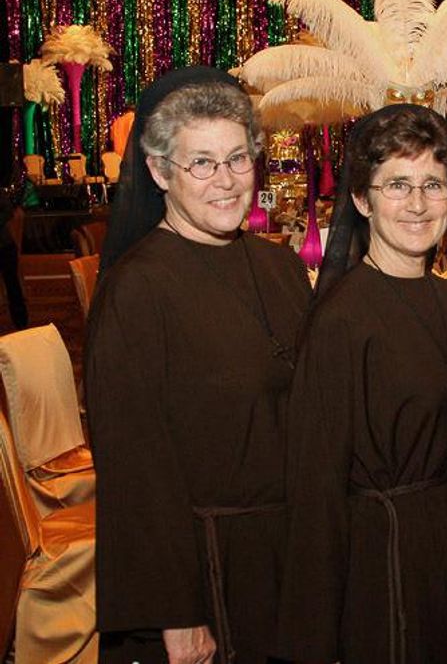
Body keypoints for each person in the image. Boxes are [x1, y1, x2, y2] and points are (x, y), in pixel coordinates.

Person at [86, 66, 311, 664]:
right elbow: (136, 470)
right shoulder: (137, 291)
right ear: (159, 171)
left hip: (283, 563)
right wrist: (175, 613)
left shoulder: (281, 269)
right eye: (202, 163)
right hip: (201, 577)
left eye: (238, 159)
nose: (227, 181)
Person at [275, 105, 447, 664]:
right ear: (363, 201)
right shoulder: (341, 319)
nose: (417, 204)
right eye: (397, 184)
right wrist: (313, 631)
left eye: (432, 185)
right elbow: (315, 482)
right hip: (382, 562)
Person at [0, 189, 27, 329]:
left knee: (12, 286)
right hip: (5, 245)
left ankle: (21, 323)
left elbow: (8, 211)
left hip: (4, 245)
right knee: (13, 285)